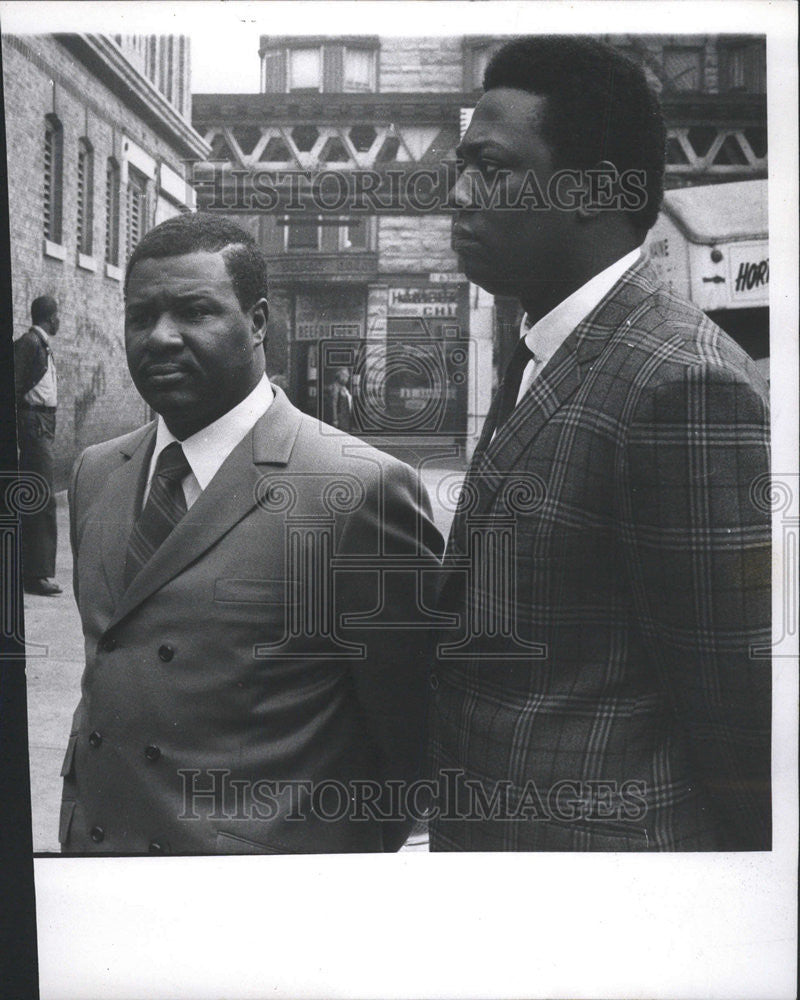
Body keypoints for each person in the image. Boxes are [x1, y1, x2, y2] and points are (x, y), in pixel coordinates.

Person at [429, 37, 771, 851]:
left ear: (590, 190)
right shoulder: (545, 344)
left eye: (492, 166)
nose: (458, 194)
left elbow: (741, 710)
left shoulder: (682, 386)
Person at [60, 213, 443, 854]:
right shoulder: (97, 473)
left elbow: (413, 730)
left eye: (195, 312)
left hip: (255, 897)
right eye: (140, 316)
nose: (160, 338)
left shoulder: (359, 490)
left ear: (258, 322)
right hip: (99, 863)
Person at [14, 295, 62, 596]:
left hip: (42, 423)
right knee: (41, 495)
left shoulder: (40, 345)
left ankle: (31, 569)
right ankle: (38, 574)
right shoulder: (30, 344)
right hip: (33, 424)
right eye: (58, 315)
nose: (60, 321)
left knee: (36, 494)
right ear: (50, 317)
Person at [327, 367, 353, 432]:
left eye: (347, 376)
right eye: (346, 376)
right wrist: (334, 419)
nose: (348, 378)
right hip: (340, 419)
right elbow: (333, 404)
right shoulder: (335, 387)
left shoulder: (343, 387)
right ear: (340, 376)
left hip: (346, 418)